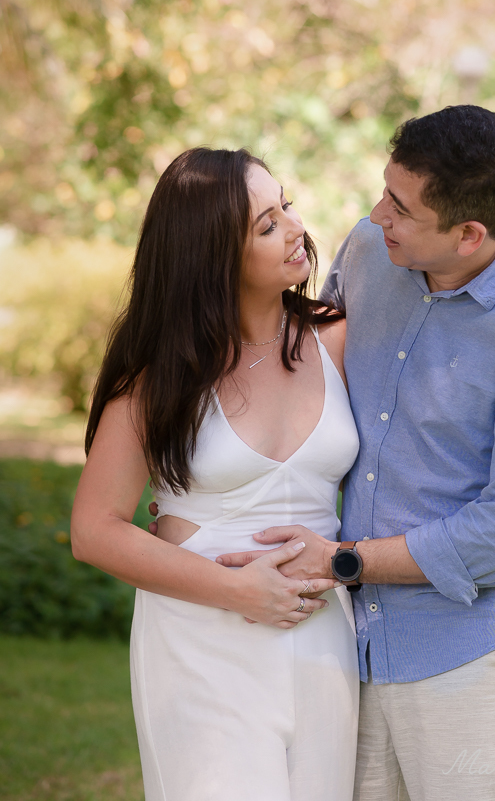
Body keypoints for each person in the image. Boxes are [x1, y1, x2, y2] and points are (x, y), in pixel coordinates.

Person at [216, 106, 495, 801]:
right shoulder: (370, 252)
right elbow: (297, 375)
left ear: (468, 234)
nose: (373, 214)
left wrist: (344, 561)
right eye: (384, 190)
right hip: (347, 648)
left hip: (473, 654)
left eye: (399, 207)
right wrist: (211, 497)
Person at [70, 147, 360, 801]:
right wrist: (235, 592)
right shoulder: (158, 375)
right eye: (264, 225)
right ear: (211, 257)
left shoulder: (334, 336)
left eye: (284, 204)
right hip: (201, 640)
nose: (294, 227)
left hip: (321, 634)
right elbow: (93, 529)